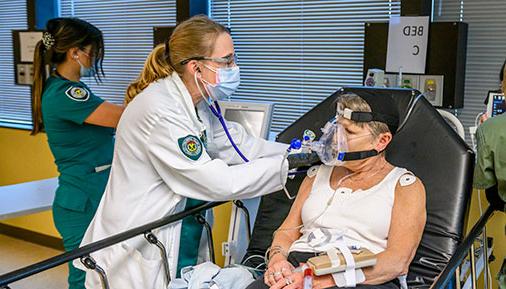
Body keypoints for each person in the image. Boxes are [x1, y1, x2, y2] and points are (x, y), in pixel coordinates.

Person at [74, 15, 317, 289]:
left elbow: (238, 145)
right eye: (226, 61)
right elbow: (217, 181)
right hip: (137, 239)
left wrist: (305, 152)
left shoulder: (197, 103)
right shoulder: (160, 110)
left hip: (176, 229)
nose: (234, 67)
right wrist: (286, 167)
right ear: (196, 67)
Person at [246, 92, 427, 289]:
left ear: (381, 141)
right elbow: (287, 231)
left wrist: (319, 280)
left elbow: (397, 261)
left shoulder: (405, 186)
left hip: (359, 277)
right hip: (298, 267)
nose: (335, 139)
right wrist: (278, 260)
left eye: (348, 133)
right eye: (336, 128)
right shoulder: (316, 175)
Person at [31, 17, 124, 289]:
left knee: (104, 273)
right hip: (81, 202)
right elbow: (121, 117)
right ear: (75, 52)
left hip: (91, 193)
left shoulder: (69, 89)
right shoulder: (65, 94)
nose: (94, 59)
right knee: (84, 278)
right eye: (92, 52)